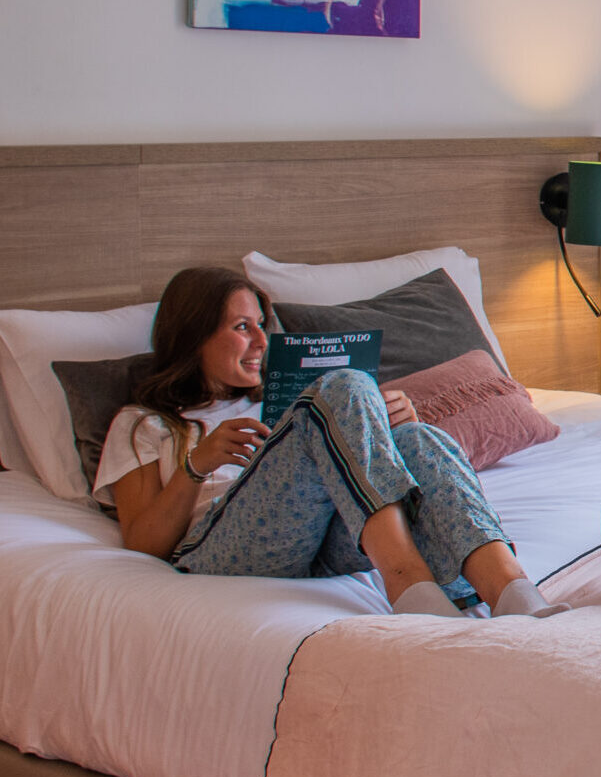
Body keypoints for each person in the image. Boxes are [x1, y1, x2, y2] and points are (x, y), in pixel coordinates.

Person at [95, 265, 562, 619]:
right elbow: (142, 544)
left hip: (321, 543)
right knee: (344, 384)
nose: (261, 341)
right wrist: (196, 465)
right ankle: (408, 586)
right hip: (225, 550)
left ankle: (514, 594)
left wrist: (390, 427)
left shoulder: (279, 399)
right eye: (242, 328)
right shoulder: (144, 424)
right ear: (193, 338)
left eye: (261, 325)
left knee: (418, 437)